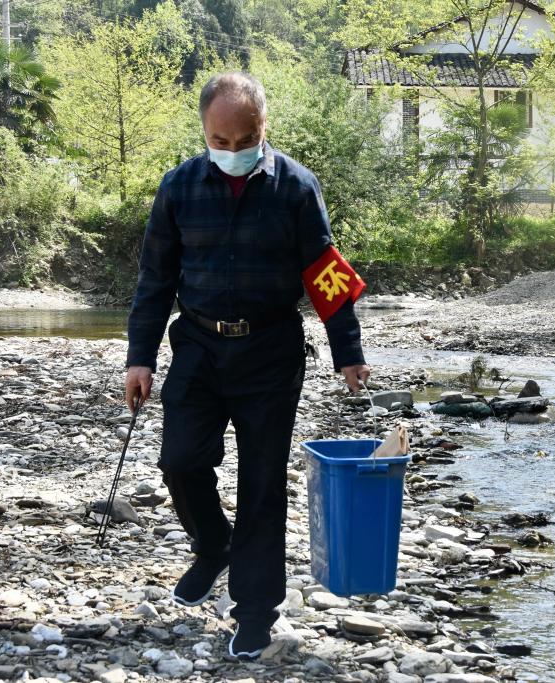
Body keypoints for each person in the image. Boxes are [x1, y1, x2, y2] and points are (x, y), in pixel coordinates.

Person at [122, 71, 370, 659]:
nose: (233, 151)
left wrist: (348, 353)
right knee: (180, 461)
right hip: (199, 348)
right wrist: (140, 357)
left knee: (261, 484)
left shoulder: (296, 188)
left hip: (270, 351)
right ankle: (213, 547)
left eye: (244, 139)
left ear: (263, 129)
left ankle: (255, 610)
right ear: (204, 131)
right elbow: (155, 279)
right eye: (220, 140)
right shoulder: (178, 187)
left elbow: (326, 276)